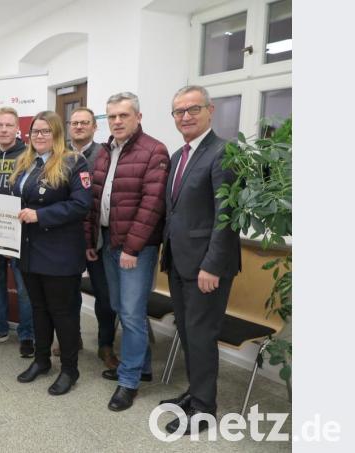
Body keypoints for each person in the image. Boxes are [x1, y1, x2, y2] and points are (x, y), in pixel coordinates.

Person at [159, 85, 241, 435]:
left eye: (193, 109)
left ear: (211, 110)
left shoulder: (224, 152)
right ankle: (195, 394)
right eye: (179, 111)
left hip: (206, 267)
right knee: (189, 334)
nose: (186, 116)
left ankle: (205, 410)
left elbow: (227, 215)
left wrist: (212, 265)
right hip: (180, 263)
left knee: (202, 336)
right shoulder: (179, 156)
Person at [85, 92, 170, 411]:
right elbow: (97, 200)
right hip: (107, 241)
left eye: (124, 115)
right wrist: (91, 241)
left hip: (136, 248)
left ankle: (129, 381)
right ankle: (143, 367)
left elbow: (152, 205)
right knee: (122, 307)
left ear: (138, 117)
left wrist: (132, 248)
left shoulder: (154, 151)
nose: (117, 121)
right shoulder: (107, 151)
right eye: (112, 116)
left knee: (132, 314)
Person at [10, 111, 91, 396]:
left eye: (45, 131)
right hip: (29, 251)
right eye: (35, 131)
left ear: (57, 134)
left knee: (63, 313)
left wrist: (40, 215)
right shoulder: (25, 162)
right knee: (38, 310)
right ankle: (41, 360)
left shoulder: (73, 162)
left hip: (59, 254)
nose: (39, 136)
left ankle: (70, 369)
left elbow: (81, 205)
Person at [0, 107, 35, 358]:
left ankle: (27, 334)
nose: (4, 129)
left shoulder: (30, 156)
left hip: (21, 231)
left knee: (24, 287)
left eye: (9, 125)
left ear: (17, 129)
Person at [66, 107, 118, 369]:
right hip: (66, 238)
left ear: (94, 127)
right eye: (74, 123)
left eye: (84, 123)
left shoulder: (105, 155)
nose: (79, 127)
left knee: (105, 296)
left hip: (98, 240)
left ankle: (105, 345)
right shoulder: (59, 155)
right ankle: (71, 338)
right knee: (67, 294)